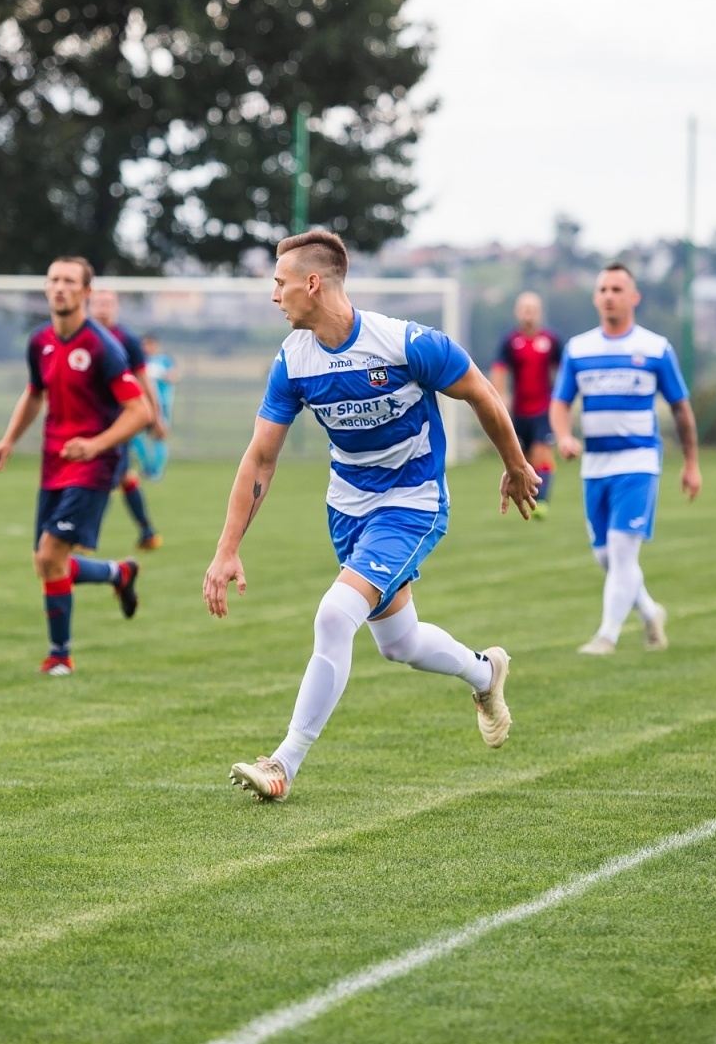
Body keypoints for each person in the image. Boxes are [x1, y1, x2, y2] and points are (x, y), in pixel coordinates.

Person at [205, 230, 535, 803]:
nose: (273, 295)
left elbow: (482, 392)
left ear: (313, 283)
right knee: (398, 643)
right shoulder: (293, 361)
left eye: (279, 283)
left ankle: (284, 763)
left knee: (335, 615)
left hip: (412, 503)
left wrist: (515, 464)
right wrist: (226, 548)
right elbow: (261, 456)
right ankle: (485, 673)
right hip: (346, 509)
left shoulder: (406, 344)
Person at [0, 257, 155, 676]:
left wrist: (95, 445)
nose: (59, 287)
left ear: (85, 292)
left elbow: (140, 412)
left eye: (69, 281)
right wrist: (8, 440)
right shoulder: (39, 340)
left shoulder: (103, 347)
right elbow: (34, 394)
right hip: (53, 463)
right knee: (47, 562)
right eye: (53, 280)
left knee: (49, 554)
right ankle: (119, 573)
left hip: (94, 465)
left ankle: (60, 655)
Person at [549, 263, 700, 656]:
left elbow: (681, 409)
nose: (610, 295)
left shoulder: (655, 348)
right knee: (606, 556)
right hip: (594, 465)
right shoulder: (578, 349)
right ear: (596, 297)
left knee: (621, 551)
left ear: (634, 297)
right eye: (603, 288)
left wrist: (691, 463)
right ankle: (651, 612)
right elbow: (560, 403)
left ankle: (607, 635)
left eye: (618, 288)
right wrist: (564, 437)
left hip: (638, 462)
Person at [89, 288, 163, 550]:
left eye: (108, 302)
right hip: (90, 419)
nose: (103, 307)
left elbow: (145, 380)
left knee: (106, 474)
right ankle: (147, 532)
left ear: (116, 307)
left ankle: (84, 536)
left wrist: (156, 416)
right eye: (98, 302)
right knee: (124, 477)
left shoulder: (127, 339)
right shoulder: (82, 337)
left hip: (122, 420)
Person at [491, 291, 562, 519]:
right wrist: (498, 399)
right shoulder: (510, 342)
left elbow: (562, 372)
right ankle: (531, 498)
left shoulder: (551, 341)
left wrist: (563, 403)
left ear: (539, 312)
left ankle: (542, 501)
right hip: (519, 412)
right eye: (524, 309)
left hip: (544, 410)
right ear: (517, 312)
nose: (528, 314)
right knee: (527, 459)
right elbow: (500, 371)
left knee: (542, 454)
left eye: (532, 309)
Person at [130, 334, 178, 482]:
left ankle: (156, 471)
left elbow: (174, 376)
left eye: (150, 344)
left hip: (162, 404)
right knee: (134, 436)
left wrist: (161, 375)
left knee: (159, 436)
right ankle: (147, 466)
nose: (147, 348)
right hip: (142, 403)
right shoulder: (140, 360)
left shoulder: (164, 360)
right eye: (144, 345)